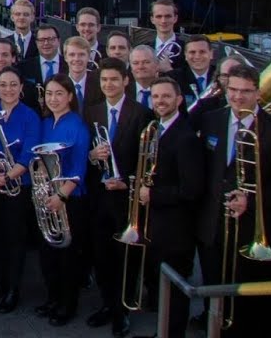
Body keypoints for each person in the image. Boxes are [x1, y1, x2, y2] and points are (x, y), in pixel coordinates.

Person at [195, 64, 271, 338]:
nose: (238, 96)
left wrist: (250, 201)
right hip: (213, 229)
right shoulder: (211, 120)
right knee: (215, 298)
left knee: (250, 308)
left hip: (253, 231)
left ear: (258, 93)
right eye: (233, 90)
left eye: (245, 91)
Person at [84, 58, 153, 338]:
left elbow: (147, 160)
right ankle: (107, 303)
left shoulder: (142, 113)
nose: (109, 84)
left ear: (126, 81)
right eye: (104, 80)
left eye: (114, 79)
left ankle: (123, 309)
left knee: (126, 257)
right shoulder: (92, 111)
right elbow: (84, 153)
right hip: (99, 196)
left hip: (126, 197)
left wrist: (127, 182)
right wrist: (92, 155)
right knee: (101, 254)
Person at [132, 77, 203, 338]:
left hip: (176, 229)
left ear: (179, 100)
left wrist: (152, 194)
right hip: (156, 222)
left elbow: (191, 190)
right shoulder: (156, 129)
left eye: (166, 96)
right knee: (162, 287)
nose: (160, 101)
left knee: (175, 290)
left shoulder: (185, 137)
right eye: (156, 97)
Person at [0, 68, 40, 314]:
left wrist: (8, 176)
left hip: (18, 187)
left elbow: (29, 153)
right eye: (3, 84)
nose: (8, 89)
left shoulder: (30, 116)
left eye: (13, 84)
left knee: (14, 238)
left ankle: (13, 288)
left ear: (21, 87)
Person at [34, 74, 90, 326]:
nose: (53, 99)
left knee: (68, 257)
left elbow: (78, 169)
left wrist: (60, 196)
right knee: (48, 253)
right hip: (47, 196)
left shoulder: (77, 125)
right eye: (49, 94)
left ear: (69, 96)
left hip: (69, 198)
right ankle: (53, 298)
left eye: (59, 93)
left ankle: (68, 305)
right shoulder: (46, 123)